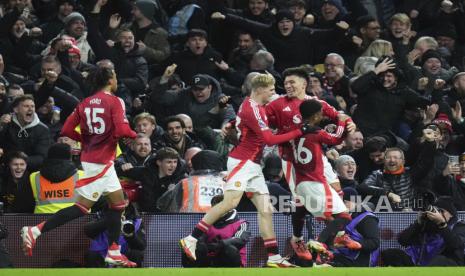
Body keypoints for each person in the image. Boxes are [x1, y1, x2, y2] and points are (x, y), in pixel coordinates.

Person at [180, 73, 305, 268]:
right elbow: (269, 140)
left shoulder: (256, 106)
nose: (274, 93)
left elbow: (242, 121)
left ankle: (272, 257)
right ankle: (192, 238)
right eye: (271, 90)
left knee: (265, 209)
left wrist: (232, 124)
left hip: (253, 165)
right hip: (242, 161)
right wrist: (300, 131)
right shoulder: (252, 109)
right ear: (260, 90)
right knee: (230, 202)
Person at [20, 66, 138, 267]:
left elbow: (66, 129)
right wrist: (134, 136)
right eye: (116, 76)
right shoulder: (115, 100)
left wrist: (87, 139)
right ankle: (36, 230)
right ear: (110, 79)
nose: (117, 80)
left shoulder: (84, 103)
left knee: (118, 205)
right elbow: (121, 129)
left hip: (96, 157)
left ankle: (114, 250)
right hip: (100, 160)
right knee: (82, 208)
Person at [265, 67, 355, 261]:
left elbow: (340, 115)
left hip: (316, 156)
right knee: (301, 201)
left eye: (292, 82)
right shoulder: (277, 104)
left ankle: (338, 235)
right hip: (291, 160)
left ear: (304, 84)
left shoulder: (317, 103)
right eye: (286, 83)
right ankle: (298, 239)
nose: (288, 86)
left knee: (337, 191)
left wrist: (349, 122)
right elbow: (262, 121)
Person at [292, 99, 361, 255]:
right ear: (316, 115)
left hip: (301, 183)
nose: (323, 115)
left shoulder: (297, 132)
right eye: (321, 113)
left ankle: (330, 248)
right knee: (344, 217)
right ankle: (319, 242)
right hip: (315, 182)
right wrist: (342, 122)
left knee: (332, 219)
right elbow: (336, 139)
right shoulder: (315, 132)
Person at [381, 196, 465, 266]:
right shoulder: (428, 224)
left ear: (451, 214)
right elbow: (403, 241)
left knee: (439, 260)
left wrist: (442, 224)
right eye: (437, 210)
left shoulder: (459, 225)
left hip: (447, 263)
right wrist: (418, 223)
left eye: (441, 211)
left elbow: (457, 244)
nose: (438, 213)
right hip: (419, 262)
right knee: (390, 254)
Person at [181, 194, 250, 267]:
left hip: (231, 261)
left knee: (229, 249)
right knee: (192, 247)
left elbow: (240, 240)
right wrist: (201, 245)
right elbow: (198, 240)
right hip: (210, 261)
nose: (215, 211)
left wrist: (220, 244)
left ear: (228, 208)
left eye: (219, 208)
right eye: (214, 208)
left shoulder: (241, 223)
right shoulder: (206, 224)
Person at [84, 196, 146, 268]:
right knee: (91, 255)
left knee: (137, 253)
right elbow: (88, 231)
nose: (116, 204)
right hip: (103, 252)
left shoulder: (136, 220)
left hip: (125, 252)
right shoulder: (100, 215)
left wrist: (130, 235)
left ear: (127, 202)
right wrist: (111, 221)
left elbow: (141, 246)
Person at [157, 150, 225, 213]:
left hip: (191, 222)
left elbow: (163, 204)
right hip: (222, 223)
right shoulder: (226, 183)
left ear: (195, 165)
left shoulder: (186, 183)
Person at [331, 188, 380, 267]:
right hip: (345, 257)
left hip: (361, 261)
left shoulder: (367, 219)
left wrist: (356, 244)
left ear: (348, 202)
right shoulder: (345, 218)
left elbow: (374, 242)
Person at [30, 143, 83, 214]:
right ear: (69, 157)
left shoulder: (34, 177)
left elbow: (24, 204)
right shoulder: (82, 176)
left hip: (42, 222)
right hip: (75, 221)